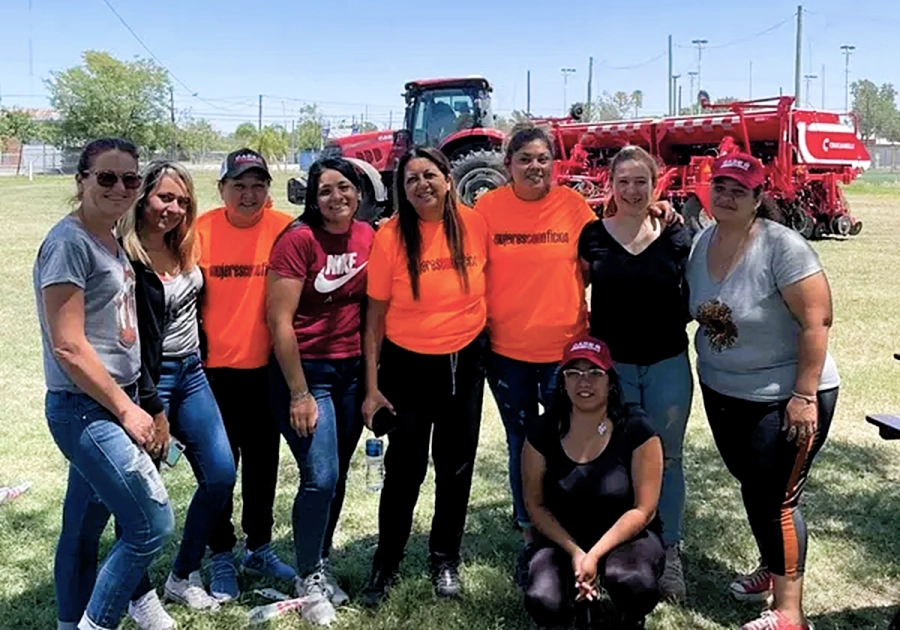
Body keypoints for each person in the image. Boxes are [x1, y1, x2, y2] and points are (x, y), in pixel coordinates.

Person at [686, 153, 839, 630]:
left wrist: (803, 395)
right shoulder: (701, 242)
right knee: (754, 488)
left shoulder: (782, 247)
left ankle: (790, 613)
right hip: (724, 390)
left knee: (777, 498)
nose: (727, 196)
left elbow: (817, 321)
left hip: (784, 395)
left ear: (757, 199)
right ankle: (773, 573)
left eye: (740, 190)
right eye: (721, 187)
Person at [35, 138, 175, 630]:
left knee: (82, 527)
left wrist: (143, 399)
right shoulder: (69, 243)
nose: (120, 187)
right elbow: (68, 346)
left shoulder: (110, 237)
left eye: (130, 179)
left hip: (112, 401)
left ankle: (70, 623)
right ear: (81, 181)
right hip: (87, 408)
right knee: (150, 523)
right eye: (107, 177)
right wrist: (127, 409)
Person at [359, 147, 489, 605]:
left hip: (464, 364)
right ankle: (386, 562)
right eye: (411, 179)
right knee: (404, 471)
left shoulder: (476, 224)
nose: (421, 185)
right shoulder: (390, 236)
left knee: (455, 468)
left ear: (449, 179)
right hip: (407, 367)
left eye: (429, 175)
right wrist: (372, 387)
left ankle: (444, 559)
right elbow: (374, 317)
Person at [117, 161, 237, 626]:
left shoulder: (182, 244)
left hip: (193, 373)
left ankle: (182, 574)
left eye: (182, 201)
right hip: (148, 381)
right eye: (164, 197)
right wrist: (151, 406)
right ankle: (137, 591)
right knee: (140, 493)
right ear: (144, 196)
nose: (173, 208)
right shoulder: (125, 256)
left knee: (221, 474)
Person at [578, 145, 693, 601]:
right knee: (612, 456)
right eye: (622, 182)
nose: (631, 190)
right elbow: (574, 290)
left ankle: (670, 551)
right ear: (611, 184)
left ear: (655, 184)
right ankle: (616, 551)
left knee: (668, 458)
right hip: (614, 366)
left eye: (640, 182)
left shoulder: (677, 234)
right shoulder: (592, 236)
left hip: (667, 362)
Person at [473, 123, 596, 548]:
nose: (534, 166)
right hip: (507, 353)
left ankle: (570, 520)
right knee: (523, 442)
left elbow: (604, 254)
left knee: (570, 437)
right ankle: (529, 526)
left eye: (543, 158)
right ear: (508, 165)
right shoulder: (487, 209)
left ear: (553, 164)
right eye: (524, 159)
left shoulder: (574, 206)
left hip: (567, 352)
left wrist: (657, 214)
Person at [267, 158, 374, 625]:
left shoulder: (369, 235)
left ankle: (321, 561)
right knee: (321, 477)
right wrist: (299, 393)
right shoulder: (298, 240)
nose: (336, 197)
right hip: (307, 375)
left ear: (358, 191)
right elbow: (278, 322)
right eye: (325, 190)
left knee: (338, 475)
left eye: (344, 187)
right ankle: (307, 577)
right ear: (313, 198)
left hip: (351, 371)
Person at [195, 148, 295, 601]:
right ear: (222, 190)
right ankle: (220, 554)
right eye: (239, 185)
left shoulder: (283, 230)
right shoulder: (199, 231)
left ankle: (258, 546)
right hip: (211, 375)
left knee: (263, 465)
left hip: (265, 371)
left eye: (258, 185)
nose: (249, 194)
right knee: (217, 470)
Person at [522, 337, 665, 630]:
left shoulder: (637, 426)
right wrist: (577, 553)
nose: (583, 382)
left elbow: (644, 509)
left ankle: (630, 616)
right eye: (573, 373)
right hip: (562, 538)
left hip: (626, 538)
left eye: (594, 373)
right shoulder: (543, 429)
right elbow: (535, 505)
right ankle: (573, 609)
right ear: (562, 382)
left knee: (634, 582)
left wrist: (595, 555)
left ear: (610, 381)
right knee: (542, 599)